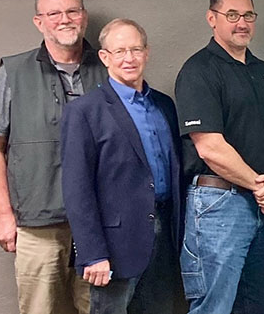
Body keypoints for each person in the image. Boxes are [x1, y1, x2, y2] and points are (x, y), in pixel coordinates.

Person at [0, 0, 106, 314]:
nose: (64, 20)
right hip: (38, 224)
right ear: (39, 22)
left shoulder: (109, 69)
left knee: (98, 308)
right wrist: (5, 215)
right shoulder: (14, 71)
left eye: (72, 11)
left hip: (100, 222)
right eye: (54, 13)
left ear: (84, 17)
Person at [174, 0, 264, 314]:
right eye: (232, 15)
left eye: (248, 15)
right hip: (217, 207)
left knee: (259, 305)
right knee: (214, 306)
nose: (242, 23)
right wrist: (259, 185)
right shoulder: (199, 71)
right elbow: (210, 147)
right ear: (212, 19)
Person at [61, 19, 183, 313]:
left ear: (146, 53)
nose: (129, 58)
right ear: (105, 57)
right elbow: (77, 189)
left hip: (166, 236)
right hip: (115, 246)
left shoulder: (165, 106)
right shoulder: (84, 112)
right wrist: (92, 254)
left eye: (135, 49)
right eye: (119, 52)